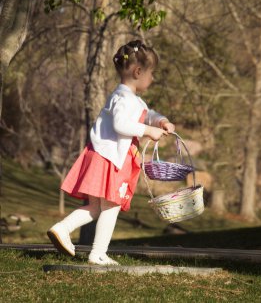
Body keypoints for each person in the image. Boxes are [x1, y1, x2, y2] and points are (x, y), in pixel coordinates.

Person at [47, 39, 175, 265]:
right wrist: (148, 131)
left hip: (104, 156)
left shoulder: (131, 99)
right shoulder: (124, 99)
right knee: (110, 206)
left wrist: (161, 121)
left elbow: (147, 113)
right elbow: (121, 125)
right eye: (151, 73)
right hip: (110, 160)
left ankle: (62, 228)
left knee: (96, 207)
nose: (152, 78)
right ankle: (98, 253)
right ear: (138, 71)